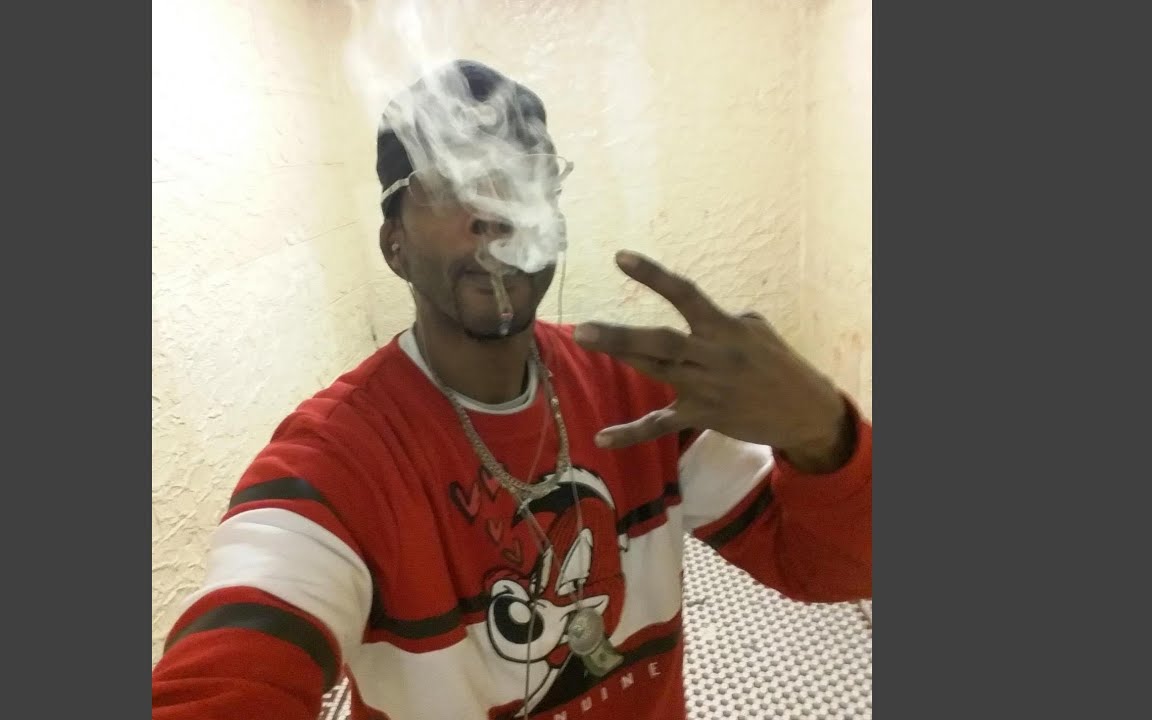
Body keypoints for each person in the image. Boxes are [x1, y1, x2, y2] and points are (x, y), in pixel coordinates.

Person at [151, 60, 871, 720]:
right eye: (450, 185)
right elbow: (231, 668)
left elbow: (835, 568)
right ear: (394, 244)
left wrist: (823, 434)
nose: (494, 215)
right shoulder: (339, 462)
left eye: (522, 182)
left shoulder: (639, 396)